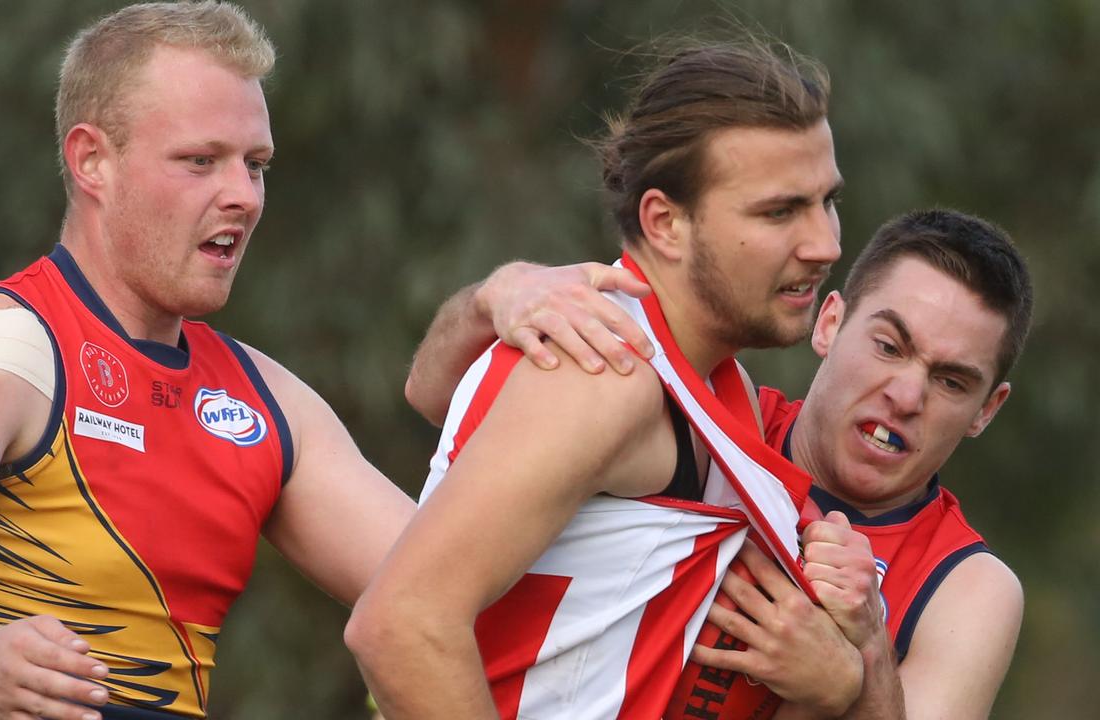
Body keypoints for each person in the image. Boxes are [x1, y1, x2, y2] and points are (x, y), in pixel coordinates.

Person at [0, 4, 650, 719]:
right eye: (200, 160)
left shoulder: (263, 401)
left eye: (255, 165)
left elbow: (453, 586)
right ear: (91, 160)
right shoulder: (4, 345)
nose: (244, 195)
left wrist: (489, 301)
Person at [345, 37, 857, 719]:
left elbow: (434, 397)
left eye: (828, 202)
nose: (825, 243)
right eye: (780, 211)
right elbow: (400, 625)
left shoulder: (683, 371)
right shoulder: (608, 372)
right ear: (664, 222)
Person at [407, 209, 1029, 719]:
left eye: (950, 381)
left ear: (987, 410)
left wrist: (860, 664)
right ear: (830, 323)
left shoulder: (968, 586)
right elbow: (439, 400)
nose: (907, 396)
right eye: (889, 347)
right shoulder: (714, 417)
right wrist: (496, 297)